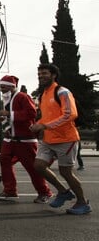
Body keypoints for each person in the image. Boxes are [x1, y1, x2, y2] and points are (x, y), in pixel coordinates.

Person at [31, 63, 91, 215]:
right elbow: (45, 117)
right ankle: (63, 192)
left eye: (44, 73)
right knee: (38, 166)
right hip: (48, 139)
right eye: (39, 74)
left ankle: (82, 202)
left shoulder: (62, 92)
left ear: (53, 75)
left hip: (66, 139)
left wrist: (44, 126)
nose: (41, 76)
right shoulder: (43, 95)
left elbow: (69, 114)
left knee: (66, 172)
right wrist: (37, 125)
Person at [0, 75, 53, 203]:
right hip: (11, 139)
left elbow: (32, 113)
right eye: (0, 86)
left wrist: (9, 114)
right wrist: (3, 119)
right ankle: (10, 191)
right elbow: (12, 118)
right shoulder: (7, 99)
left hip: (25, 139)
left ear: (11, 86)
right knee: (4, 161)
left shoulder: (22, 97)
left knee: (32, 168)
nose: (1, 89)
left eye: (3, 86)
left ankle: (44, 192)